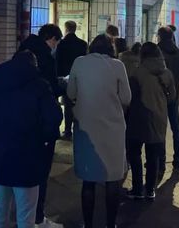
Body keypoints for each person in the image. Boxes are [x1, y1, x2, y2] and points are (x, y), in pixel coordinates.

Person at [0, 51, 63, 228]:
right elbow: (53, 117)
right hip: (28, 160)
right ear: (33, 65)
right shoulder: (39, 85)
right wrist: (42, 138)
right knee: (26, 215)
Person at [67, 35, 132, 228]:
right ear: (111, 48)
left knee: (89, 180)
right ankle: (110, 224)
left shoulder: (79, 62)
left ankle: (88, 224)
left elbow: (71, 93)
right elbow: (126, 98)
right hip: (113, 128)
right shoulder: (118, 65)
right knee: (112, 179)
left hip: (86, 126)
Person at [18, 23, 63, 227]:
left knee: (19, 174)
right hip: (40, 125)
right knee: (40, 173)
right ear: (51, 38)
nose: (55, 46)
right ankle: (37, 218)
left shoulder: (20, 52)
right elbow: (51, 90)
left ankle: (24, 218)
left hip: (18, 125)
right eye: (56, 42)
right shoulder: (45, 57)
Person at [126, 42, 176, 200]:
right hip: (159, 118)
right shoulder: (166, 73)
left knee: (134, 154)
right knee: (153, 156)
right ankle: (150, 190)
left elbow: (130, 98)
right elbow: (172, 97)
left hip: (139, 118)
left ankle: (137, 188)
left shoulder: (137, 73)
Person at [157, 27, 179, 172]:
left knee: (159, 129)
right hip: (174, 94)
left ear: (159, 36)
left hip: (158, 95)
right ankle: (177, 160)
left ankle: (160, 160)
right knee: (176, 128)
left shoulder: (156, 52)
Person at [56, 21, 88, 139]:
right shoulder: (82, 44)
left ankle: (67, 130)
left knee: (67, 104)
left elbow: (57, 60)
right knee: (77, 103)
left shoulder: (61, 44)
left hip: (64, 77)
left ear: (66, 29)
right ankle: (78, 129)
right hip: (79, 77)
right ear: (75, 29)